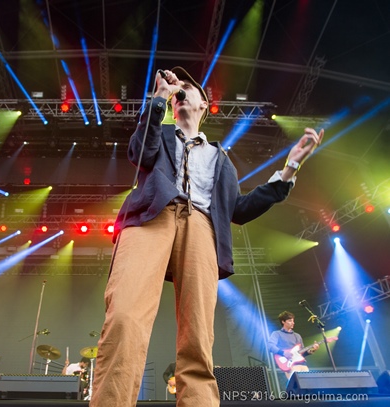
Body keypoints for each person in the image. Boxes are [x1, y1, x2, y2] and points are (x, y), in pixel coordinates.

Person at [88, 67, 324, 407]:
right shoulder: (161, 132)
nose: (180, 91)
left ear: (204, 104)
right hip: (151, 218)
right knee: (124, 315)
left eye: (187, 88)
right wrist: (158, 99)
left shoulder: (221, 159)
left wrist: (289, 169)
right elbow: (139, 151)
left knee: (198, 336)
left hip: (201, 227)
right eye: (176, 89)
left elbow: (239, 209)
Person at [268, 311, 319, 379]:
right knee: (296, 385)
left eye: (293, 321)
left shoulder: (297, 336)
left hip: (302, 364)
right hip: (290, 365)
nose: (293, 323)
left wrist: (310, 351)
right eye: (290, 321)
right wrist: (283, 353)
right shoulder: (277, 334)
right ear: (283, 321)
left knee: (308, 385)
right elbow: (270, 346)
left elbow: (301, 353)